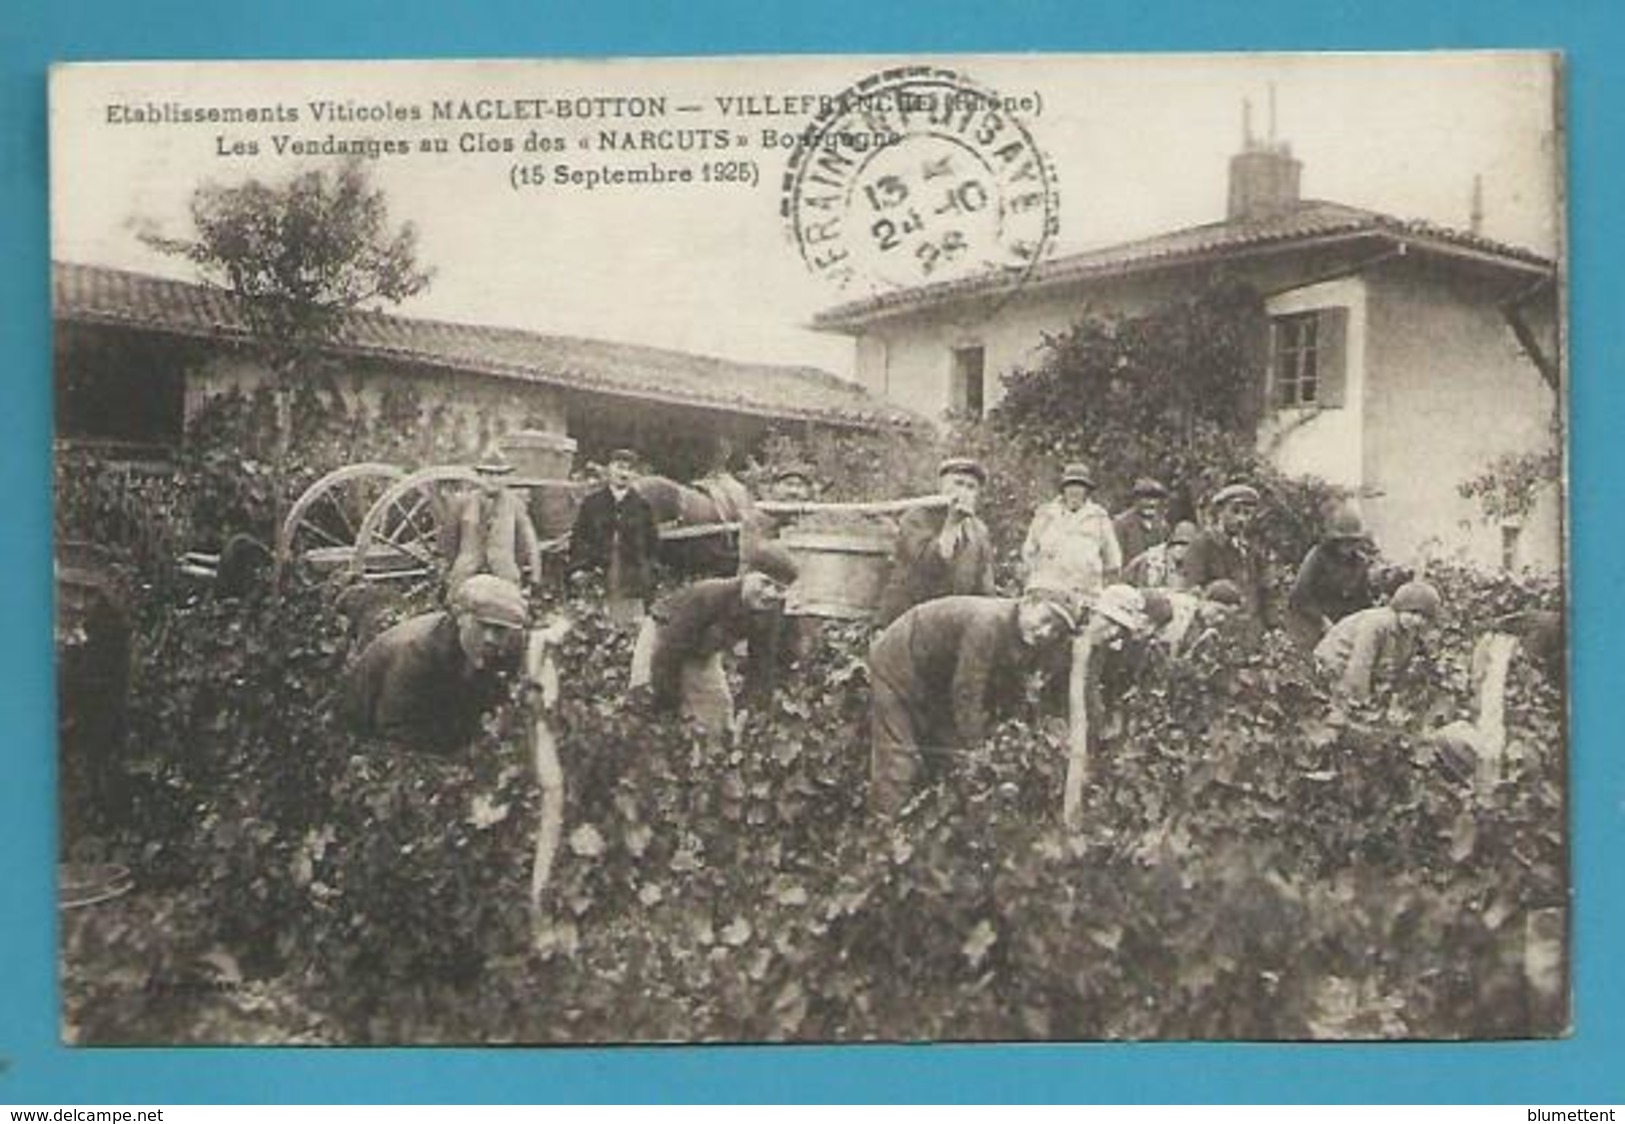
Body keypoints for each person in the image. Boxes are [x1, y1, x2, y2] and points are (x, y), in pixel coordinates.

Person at [867, 591, 1078, 817]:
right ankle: (886, 832)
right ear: (1028, 603)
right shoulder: (988, 623)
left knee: (945, 750)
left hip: (936, 676)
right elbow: (967, 689)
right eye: (1045, 620)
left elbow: (1011, 690)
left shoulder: (1026, 637)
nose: (1046, 632)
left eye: (1055, 630)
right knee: (899, 758)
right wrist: (977, 746)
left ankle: (930, 821)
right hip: (899, 661)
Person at [339, 574, 528, 755]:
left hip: (442, 717)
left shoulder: (510, 645)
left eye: (499, 629)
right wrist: (458, 753)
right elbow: (396, 727)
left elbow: (502, 696)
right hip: (371, 730)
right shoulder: (415, 652)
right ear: (460, 618)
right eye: (482, 625)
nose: (491, 639)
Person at [630, 545, 801, 742]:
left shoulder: (770, 612)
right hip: (662, 638)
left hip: (703, 651)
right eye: (765, 583)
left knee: (719, 716)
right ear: (746, 575)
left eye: (780, 589)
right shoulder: (710, 595)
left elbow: (762, 664)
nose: (770, 593)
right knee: (648, 703)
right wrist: (670, 704)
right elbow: (668, 653)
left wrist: (747, 707)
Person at [874, 457, 996, 627]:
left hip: (951, 627)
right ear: (942, 487)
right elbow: (930, 565)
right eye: (958, 483)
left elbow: (985, 589)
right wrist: (952, 523)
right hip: (907, 623)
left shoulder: (978, 531)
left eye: (971, 487)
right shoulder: (916, 518)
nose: (964, 492)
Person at [568, 447, 661, 626]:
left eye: (629, 469)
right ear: (609, 469)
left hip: (631, 580)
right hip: (598, 576)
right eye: (619, 467)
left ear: (635, 475)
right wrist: (578, 568)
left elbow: (653, 546)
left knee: (629, 629)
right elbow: (579, 538)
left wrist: (648, 574)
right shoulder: (592, 503)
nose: (624, 473)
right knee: (596, 626)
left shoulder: (643, 507)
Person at [1313, 580, 1443, 701]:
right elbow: (1360, 664)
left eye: (1425, 617)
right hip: (1335, 664)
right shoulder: (1377, 624)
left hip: (1364, 671)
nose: (1417, 621)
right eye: (1413, 613)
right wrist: (1360, 701)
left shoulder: (1411, 633)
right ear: (1400, 607)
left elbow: (1397, 668)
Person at [442, 448, 543, 595]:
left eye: (499, 474)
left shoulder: (515, 504)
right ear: (480, 476)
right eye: (488, 474)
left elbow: (525, 541)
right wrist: (462, 561)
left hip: (504, 574)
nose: (493, 479)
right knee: (457, 605)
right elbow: (450, 538)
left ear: (506, 478)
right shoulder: (463, 502)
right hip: (466, 574)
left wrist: (527, 571)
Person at [1021, 462, 1122, 602]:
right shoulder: (1046, 515)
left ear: (1087, 490)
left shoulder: (1098, 517)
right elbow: (1029, 553)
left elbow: (1113, 561)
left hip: (1087, 594)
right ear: (1063, 489)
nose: (1074, 491)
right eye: (1070, 485)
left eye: (1080, 486)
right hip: (1049, 594)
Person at [1182, 483, 1272, 638]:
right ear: (1220, 512)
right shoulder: (1203, 544)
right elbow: (1193, 590)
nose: (1241, 519)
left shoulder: (1251, 551)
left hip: (1251, 630)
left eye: (1247, 514)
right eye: (1235, 511)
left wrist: (1271, 627)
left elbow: (1265, 590)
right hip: (1216, 630)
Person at [1286, 508, 1378, 651]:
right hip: (1310, 619)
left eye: (1353, 541)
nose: (1348, 547)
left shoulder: (1360, 563)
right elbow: (1300, 596)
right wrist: (1322, 620)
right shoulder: (1317, 557)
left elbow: (1362, 599)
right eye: (1344, 541)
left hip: (1341, 623)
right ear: (1334, 540)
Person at [1112, 477, 1171, 567]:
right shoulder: (1121, 524)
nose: (1151, 503)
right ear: (1136, 500)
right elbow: (1114, 559)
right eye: (1146, 498)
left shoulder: (1162, 526)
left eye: (1155, 498)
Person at [1123, 520, 1197, 590]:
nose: (1181, 549)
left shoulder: (1195, 560)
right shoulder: (1151, 557)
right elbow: (1126, 575)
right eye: (1179, 543)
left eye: (1185, 545)